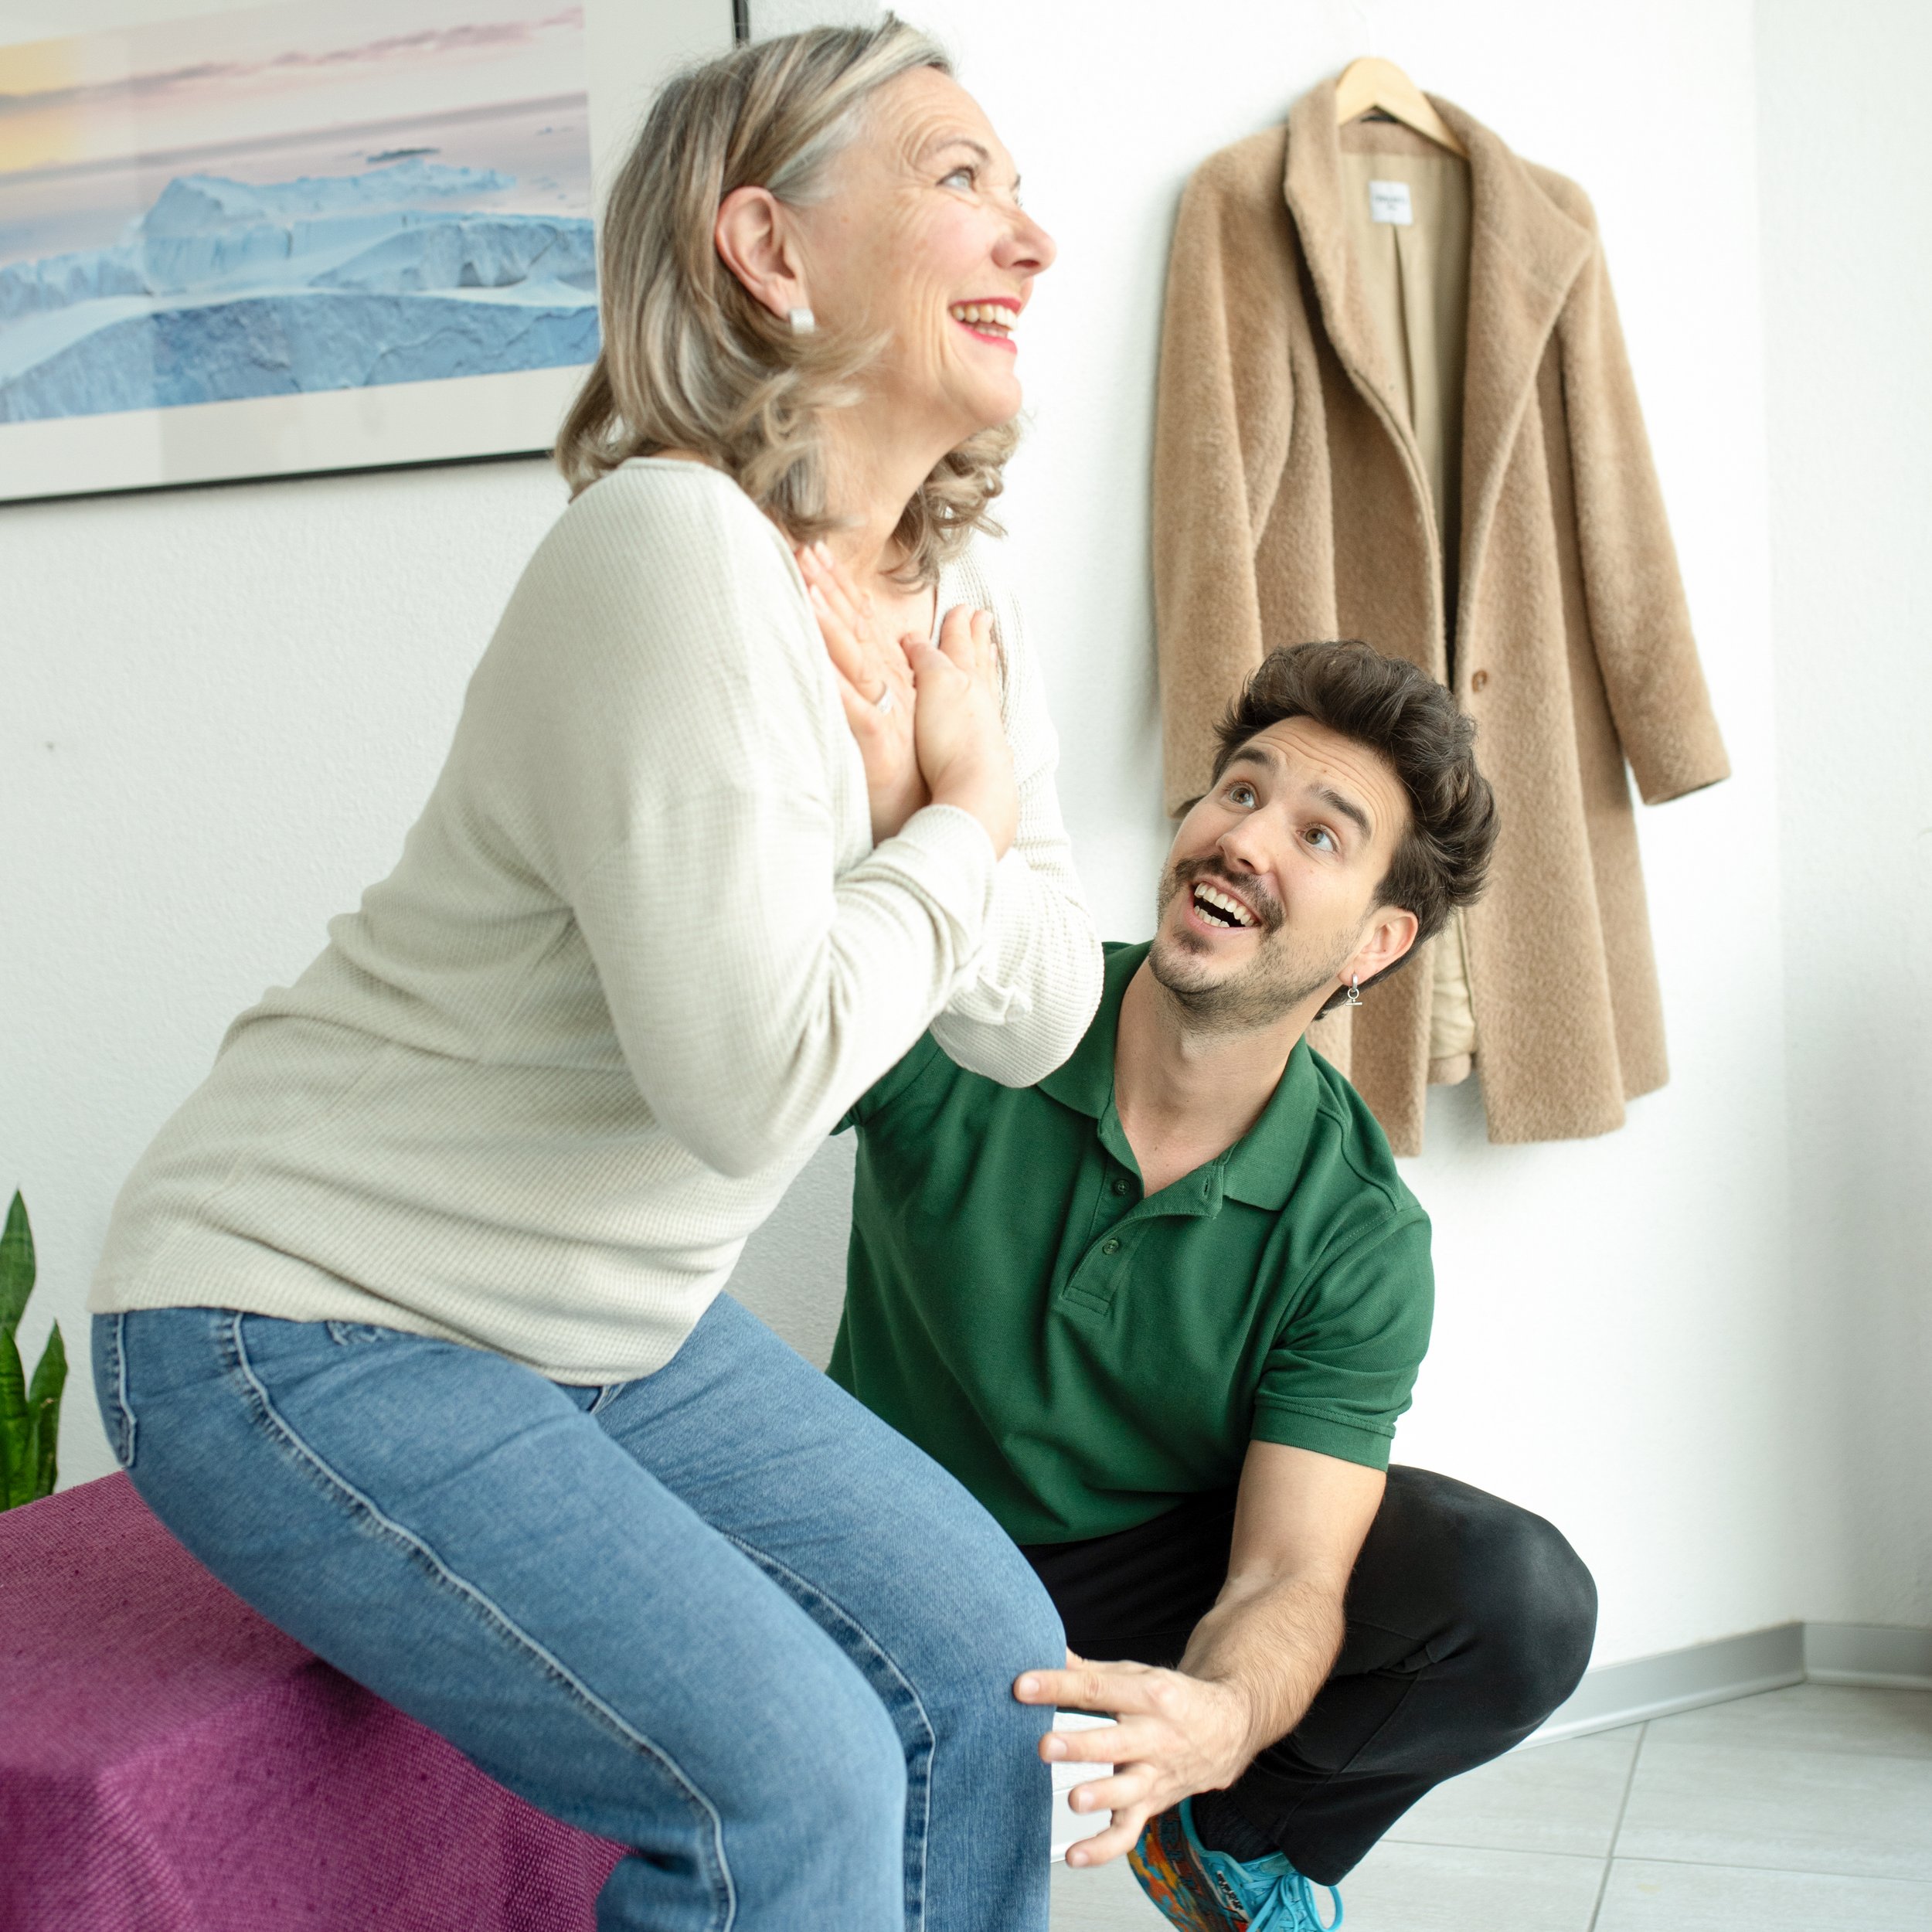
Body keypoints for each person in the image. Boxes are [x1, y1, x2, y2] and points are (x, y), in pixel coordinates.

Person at [87, 22, 1101, 1932]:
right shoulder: (670, 548)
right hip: (298, 1312)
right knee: (781, 1783)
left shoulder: (954, 615)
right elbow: (748, 1076)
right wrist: (953, 821)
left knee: (995, 1679)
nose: (1031, 235)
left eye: (1016, 185)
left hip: (599, 1320)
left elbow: (1035, 1012)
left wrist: (924, 799)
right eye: (959, 177)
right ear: (769, 251)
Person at [833, 641, 1598, 1932]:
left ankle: (1230, 1839)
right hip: (888, 1530)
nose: (1247, 840)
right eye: (1238, 793)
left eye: (1319, 833)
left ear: (1377, 940)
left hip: (1142, 1571)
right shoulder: (991, 1004)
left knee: (1516, 1598)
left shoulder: (1355, 1229)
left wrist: (1223, 1721)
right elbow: (732, 1062)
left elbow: (1290, 1573)